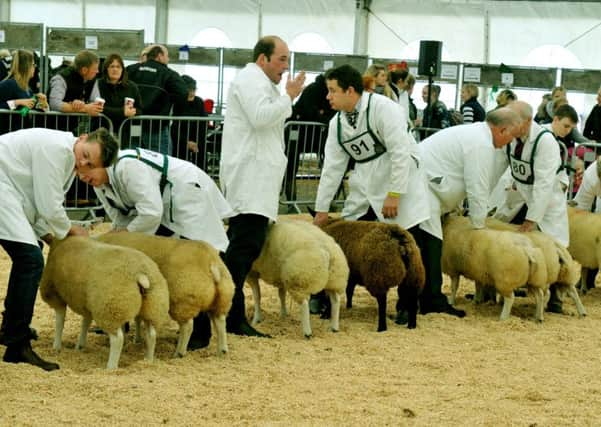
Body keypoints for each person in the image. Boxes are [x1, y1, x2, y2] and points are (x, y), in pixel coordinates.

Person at [311, 64, 463, 319]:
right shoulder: (337, 123)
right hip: (366, 184)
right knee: (344, 239)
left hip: (402, 178)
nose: (328, 97)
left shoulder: (384, 109)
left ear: (350, 91)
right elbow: (332, 168)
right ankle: (324, 296)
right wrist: (322, 209)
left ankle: (407, 306)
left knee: (408, 245)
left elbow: (400, 153)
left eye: (332, 91)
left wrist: (395, 193)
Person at [80, 146, 233, 350]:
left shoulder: (127, 166)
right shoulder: (99, 184)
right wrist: (121, 237)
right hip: (163, 208)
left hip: (186, 196)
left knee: (192, 266)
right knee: (152, 263)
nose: (82, 177)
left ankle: (200, 332)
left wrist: (126, 236)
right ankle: (121, 320)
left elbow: (151, 212)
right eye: (78, 172)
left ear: (101, 163)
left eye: (86, 170)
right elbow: (119, 218)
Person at [0, 127, 119, 371]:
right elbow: (48, 205)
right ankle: (16, 344)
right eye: (85, 154)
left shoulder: (65, 156)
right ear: (83, 137)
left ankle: (12, 330)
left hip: (9, 189)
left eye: (89, 162)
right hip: (3, 186)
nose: (82, 162)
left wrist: (49, 234)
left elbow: (37, 201)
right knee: (31, 260)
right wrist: (70, 230)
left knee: (28, 256)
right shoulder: (56, 150)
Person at [218, 35, 305, 337]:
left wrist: (284, 97)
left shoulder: (262, 83)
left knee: (245, 245)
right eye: (281, 59)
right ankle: (229, 313)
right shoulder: (250, 79)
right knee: (243, 246)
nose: (286, 66)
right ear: (262, 59)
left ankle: (228, 311)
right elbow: (260, 117)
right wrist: (289, 97)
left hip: (258, 177)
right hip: (250, 177)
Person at [417, 107, 521, 315]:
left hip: (429, 189)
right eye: (511, 137)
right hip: (423, 190)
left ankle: (429, 299)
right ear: (501, 130)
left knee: (430, 244)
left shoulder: (475, 135)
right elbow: (477, 187)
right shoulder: (480, 144)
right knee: (430, 245)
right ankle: (431, 302)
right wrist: (479, 226)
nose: (510, 143)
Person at [493, 101, 570, 313]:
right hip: (519, 194)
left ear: (527, 121)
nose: (507, 124)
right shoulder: (510, 138)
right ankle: (506, 285)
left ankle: (556, 295)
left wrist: (532, 218)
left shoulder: (545, 142)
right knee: (508, 237)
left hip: (547, 197)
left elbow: (544, 184)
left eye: (513, 121)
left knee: (554, 245)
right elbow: (497, 168)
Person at [127, 44, 188, 155]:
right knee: (160, 163)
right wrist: (174, 112)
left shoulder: (131, 69)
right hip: (156, 127)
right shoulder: (168, 74)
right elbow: (183, 93)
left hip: (133, 124)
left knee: (133, 158)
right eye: (167, 56)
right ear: (159, 56)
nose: (168, 59)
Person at [0, 49, 49, 134]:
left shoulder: (27, 89)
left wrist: (42, 104)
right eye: (33, 64)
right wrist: (17, 102)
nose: (35, 67)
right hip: (6, 136)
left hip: (20, 135)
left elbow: (24, 112)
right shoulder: (8, 84)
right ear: (26, 66)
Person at [97, 53, 142, 138]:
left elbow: (139, 109)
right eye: (112, 66)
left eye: (118, 67)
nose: (115, 69)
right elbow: (98, 109)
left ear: (122, 70)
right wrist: (122, 112)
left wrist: (133, 111)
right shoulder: (98, 85)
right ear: (106, 69)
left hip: (125, 134)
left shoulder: (132, 87)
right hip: (101, 132)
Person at [48, 49, 102, 117]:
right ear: (84, 70)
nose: (97, 71)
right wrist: (84, 108)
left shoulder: (92, 79)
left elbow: (96, 102)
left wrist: (83, 105)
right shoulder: (61, 78)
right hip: (53, 124)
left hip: (75, 125)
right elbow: (54, 104)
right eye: (95, 69)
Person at [171, 74, 208, 164]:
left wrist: (196, 143)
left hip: (198, 142)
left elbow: (203, 123)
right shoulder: (177, 102)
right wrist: (186, 143)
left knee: (200, 164)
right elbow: (174, 126)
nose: (193, 93)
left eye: (194, 89)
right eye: (190, 90)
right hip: (180, 142)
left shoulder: (199, 101)